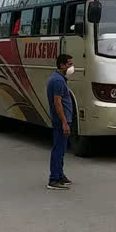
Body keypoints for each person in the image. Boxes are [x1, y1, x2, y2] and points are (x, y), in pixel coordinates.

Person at [47, 54, 75, 190]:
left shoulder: (59, 79)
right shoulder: (58, 81)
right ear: (62, 65)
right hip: (61, 121)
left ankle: (60, 175)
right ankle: (54, 179)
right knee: (58, 149)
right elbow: (57, 103)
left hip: (63, 120)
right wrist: (64, 122)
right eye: (69, 64)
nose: (71, 67)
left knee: (62, 149)